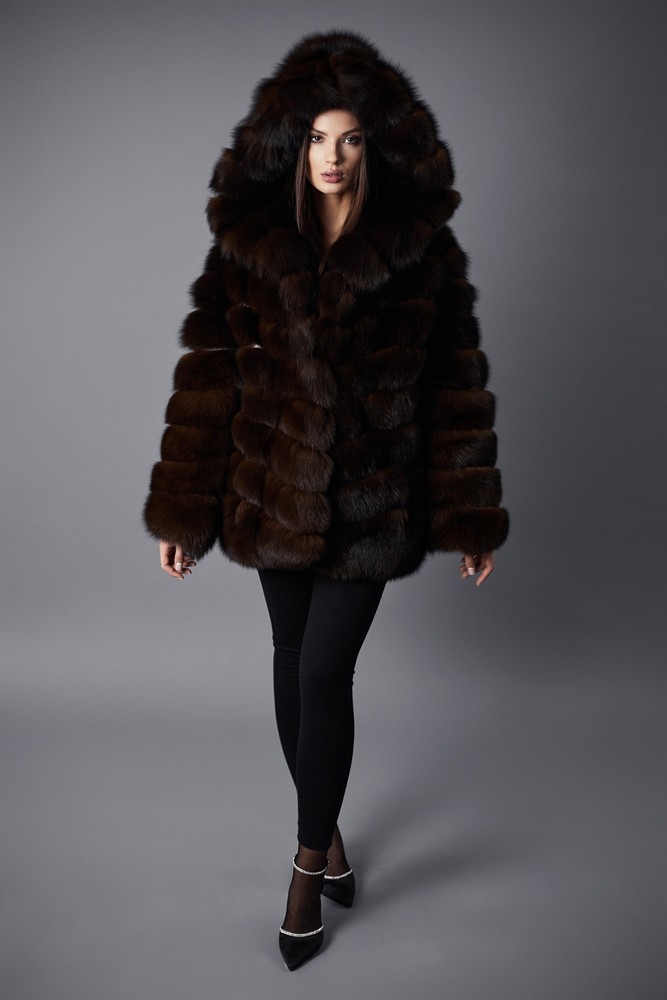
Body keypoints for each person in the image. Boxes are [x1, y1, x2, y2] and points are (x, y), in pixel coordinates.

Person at [143, 29, 509, 971]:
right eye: (316, 138)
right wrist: (184, 512)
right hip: (268, 494)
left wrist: (469, 515)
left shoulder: (421, 253)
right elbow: (208, 378)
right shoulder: (251, 248)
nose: (333, 156)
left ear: (373, 147)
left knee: (321, 674)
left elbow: (455, 386)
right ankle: (331, 833)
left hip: (373, 504)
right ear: (291, 145)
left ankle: (306, 867)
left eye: (349, 139)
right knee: (287, 660)